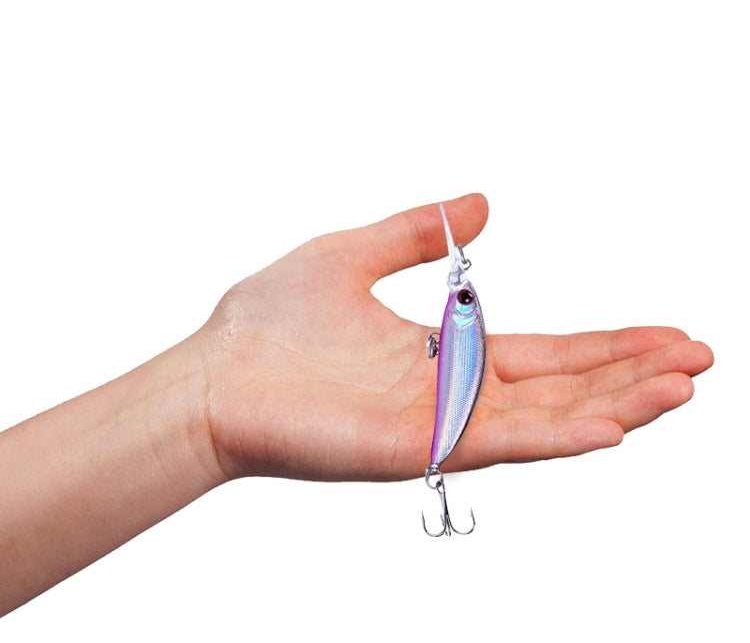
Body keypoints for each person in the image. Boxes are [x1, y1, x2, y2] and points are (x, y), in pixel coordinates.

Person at [0, 194, 713, 615]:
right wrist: (209, 395)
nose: (460, 297)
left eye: (462, 295)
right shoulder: (457, 313)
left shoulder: (457, 320)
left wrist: (201, 406)